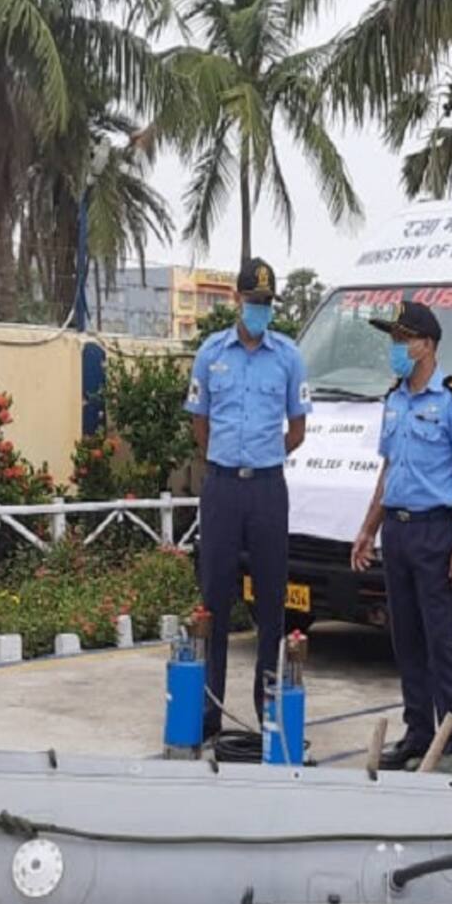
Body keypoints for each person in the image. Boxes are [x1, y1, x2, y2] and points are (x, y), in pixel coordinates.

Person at [349, 300, 452, 769]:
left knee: (439, 641)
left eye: (403, 339)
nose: (396, 347)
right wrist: (368, 529)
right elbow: (390, 470)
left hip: (435, 531)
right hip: (398, 533)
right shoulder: (395, 398)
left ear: (427, 344)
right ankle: (418, 731)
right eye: (393, 339)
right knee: (404, 638)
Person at [187, 256, 310, 740]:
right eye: (253, 301)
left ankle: (268, 711)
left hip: (266, 488)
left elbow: (297, 428)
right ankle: (209, 711)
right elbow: (199, 420)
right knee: (214, 600)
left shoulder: (288, 357)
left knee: (271, 603)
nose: (260, 310)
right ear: (236, 300)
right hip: (221, 488)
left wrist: (261, 455)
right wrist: (224, 456)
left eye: (266, 303)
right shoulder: (211, 353)